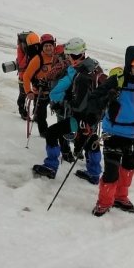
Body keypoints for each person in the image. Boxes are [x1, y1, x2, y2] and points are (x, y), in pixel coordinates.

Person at [83, 44, 134, 216]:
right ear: (128, 65)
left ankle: (120, 197)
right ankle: (104, 202)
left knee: (127, 170)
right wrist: (107, 97)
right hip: (114, 134)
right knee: (111, 172)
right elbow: (94, 100)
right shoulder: (116, 81)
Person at [31, 38, 105, 181]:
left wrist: (64, 100)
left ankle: (51, 167)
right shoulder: (95, 66)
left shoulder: (77, 72)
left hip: (79, 118)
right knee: (91, 140)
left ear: (70, 55)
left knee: (52, 133)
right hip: (94, 117)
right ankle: (94, 173)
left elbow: (61, 95)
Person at [22, 33, 60, 137]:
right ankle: (44, 132)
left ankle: (63, 131)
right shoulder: (37, 59)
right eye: (46, 46)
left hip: (54, 91)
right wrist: (28, 92)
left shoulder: (57, 58)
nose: (48, 48)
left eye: (50, 45)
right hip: (40, 92)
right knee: (41, 115)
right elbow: (26, 76)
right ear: (42, 47)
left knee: (60, 112)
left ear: (53, 46)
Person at [16, 31, 39, 119]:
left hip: (34, 72)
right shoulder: (21, 47)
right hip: (24, 73)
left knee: (36, 92)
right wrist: (29, 55)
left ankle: (36, 113)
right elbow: (21, 64)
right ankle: (22, 111)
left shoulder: (35, 46)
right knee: (23, 93)